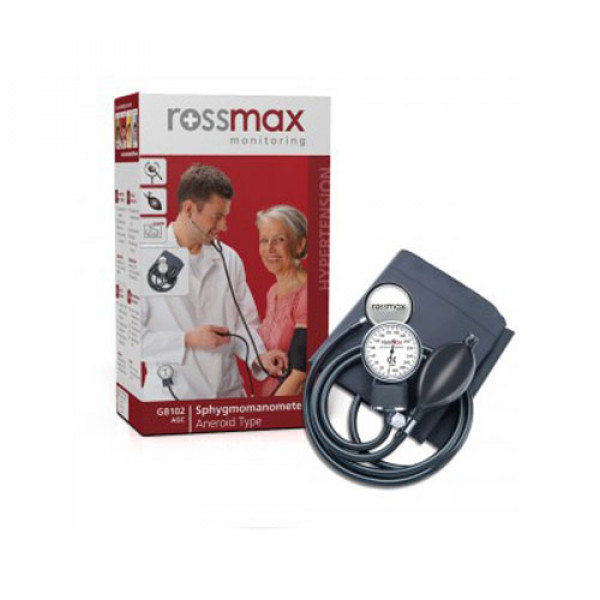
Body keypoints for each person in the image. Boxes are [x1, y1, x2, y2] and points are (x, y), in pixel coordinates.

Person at [142, 164, 287, 401]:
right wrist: (188, 339)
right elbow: (132, 341)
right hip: (172, 396)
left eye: (225, 217)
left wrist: (259, 356)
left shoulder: (228, 258)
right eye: (217, 217)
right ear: (189, 209)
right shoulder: (145, 258)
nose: (223, 227)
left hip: (228, 395)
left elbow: (244, 324)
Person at [257, 205, 308, 396]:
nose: (269, 249)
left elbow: (299, 375)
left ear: (299, 244)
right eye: (264, 240)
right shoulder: (273, 292)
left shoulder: (307, 294)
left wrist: (269, 410)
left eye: (279, 240)